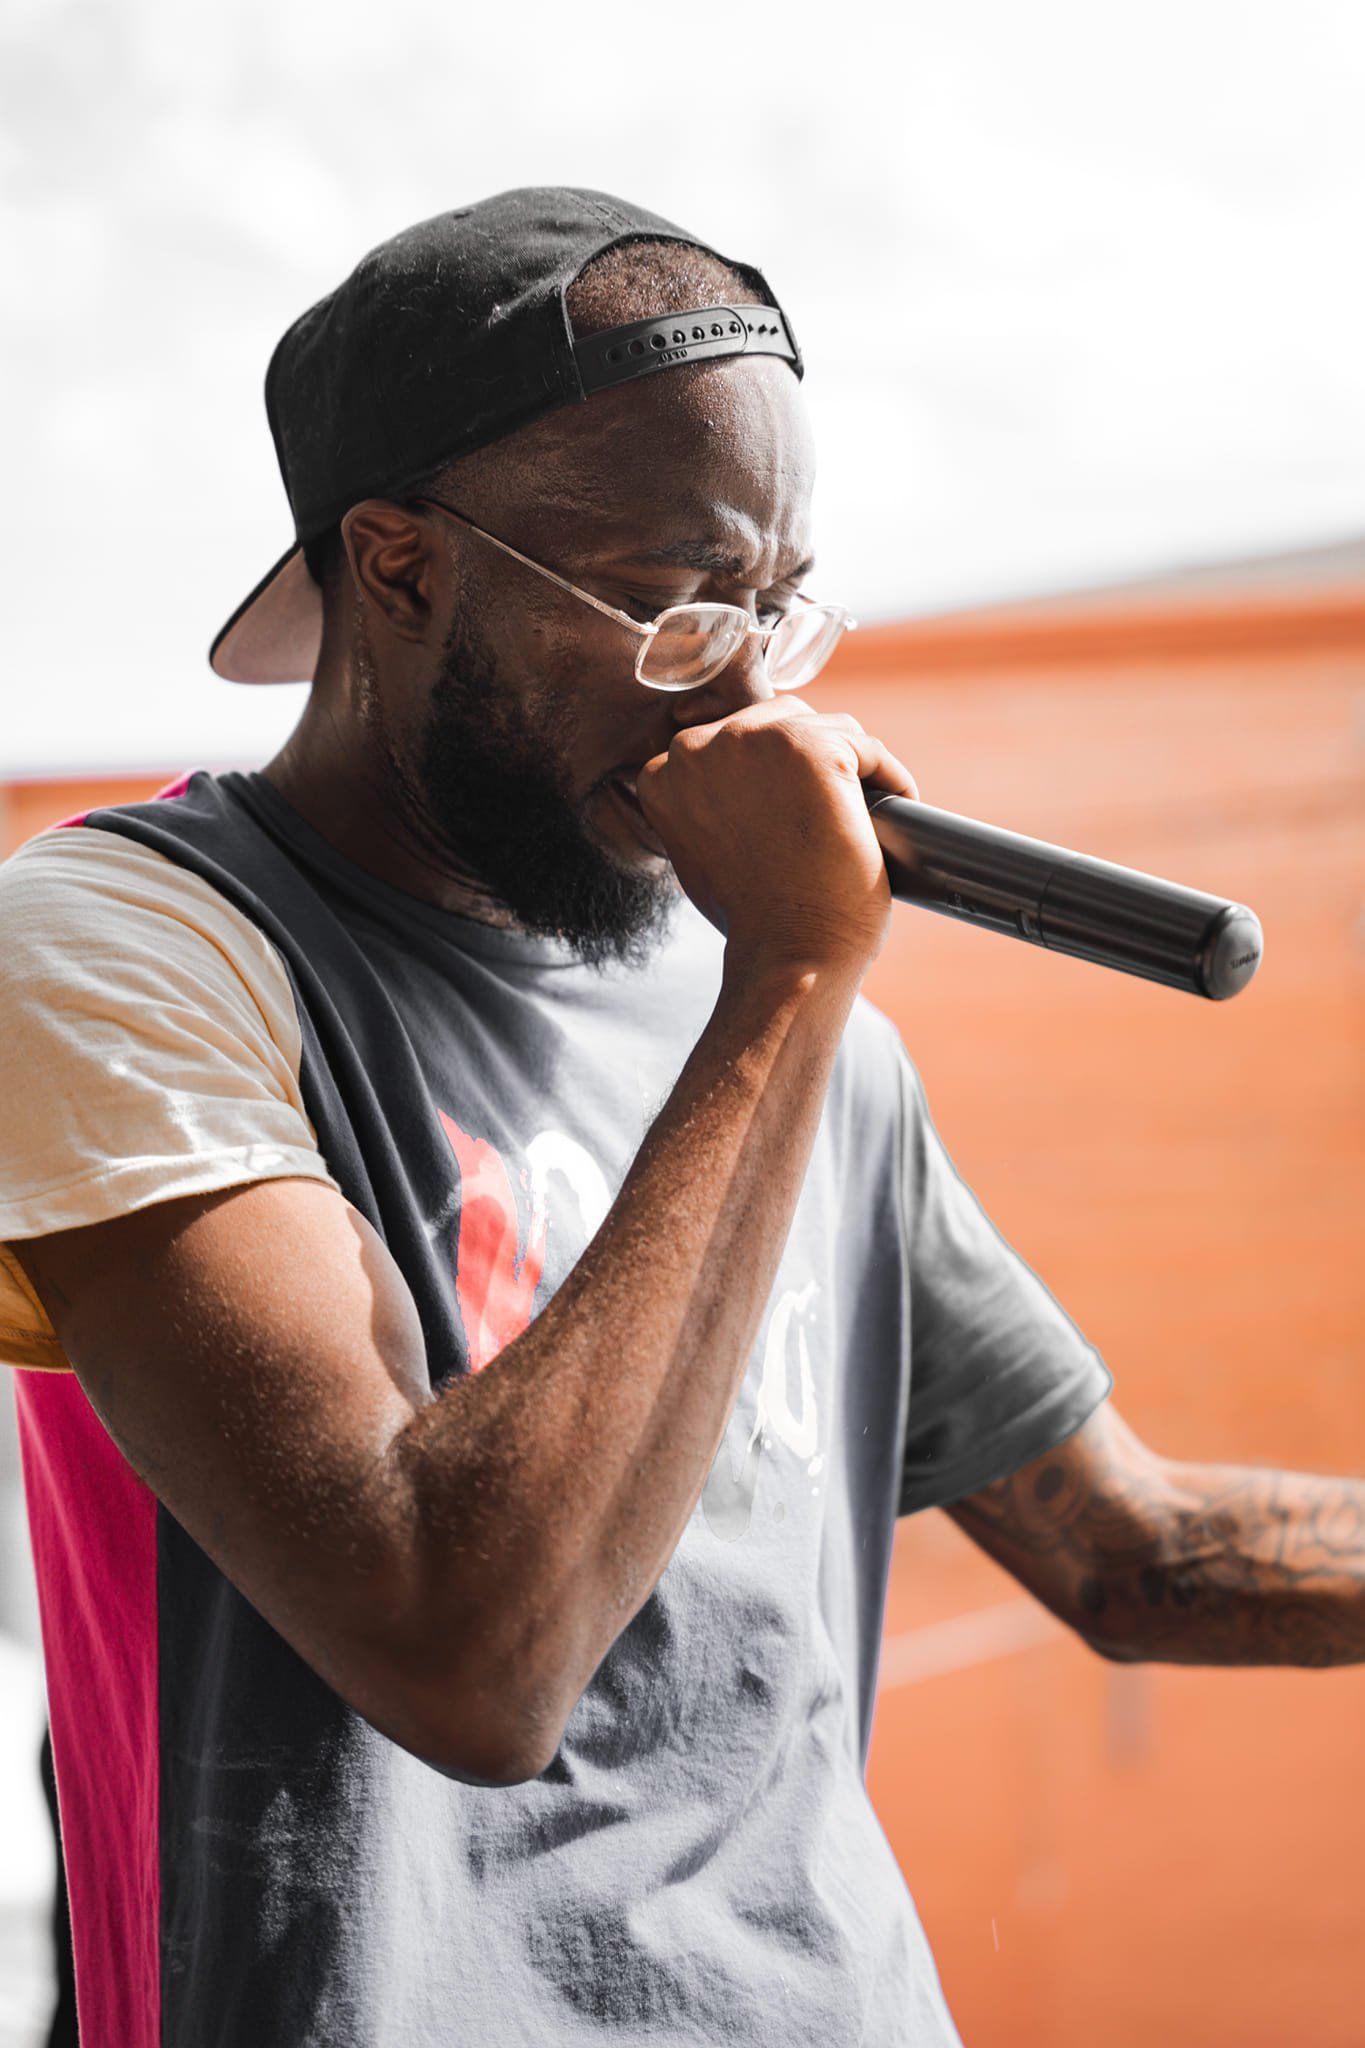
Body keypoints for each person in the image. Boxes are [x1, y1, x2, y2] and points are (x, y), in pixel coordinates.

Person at [1, 186, 1359, 2048]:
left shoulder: (791, 1036)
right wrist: (793, 980)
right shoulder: (132, 947)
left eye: (779, 608)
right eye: (670, 606)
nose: (739, 691)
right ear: (396, 569)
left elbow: (1130, 1550)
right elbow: (459, 1653)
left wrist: (788, 1000)